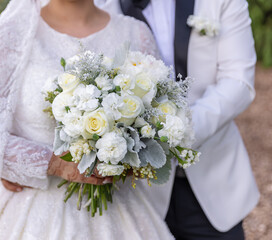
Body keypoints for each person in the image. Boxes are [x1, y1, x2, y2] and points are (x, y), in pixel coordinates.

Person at [0, 0, 174, 239]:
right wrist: (56, 165)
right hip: (30, 211)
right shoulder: (12, 35)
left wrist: (122, 156)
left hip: (121, 213)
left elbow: (161, 119)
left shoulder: (135, 33)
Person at [97, 0, 260, 239]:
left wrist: (175, 133)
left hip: (212, 185)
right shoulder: (98, 5)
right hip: (132, 192)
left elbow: (239, 82)